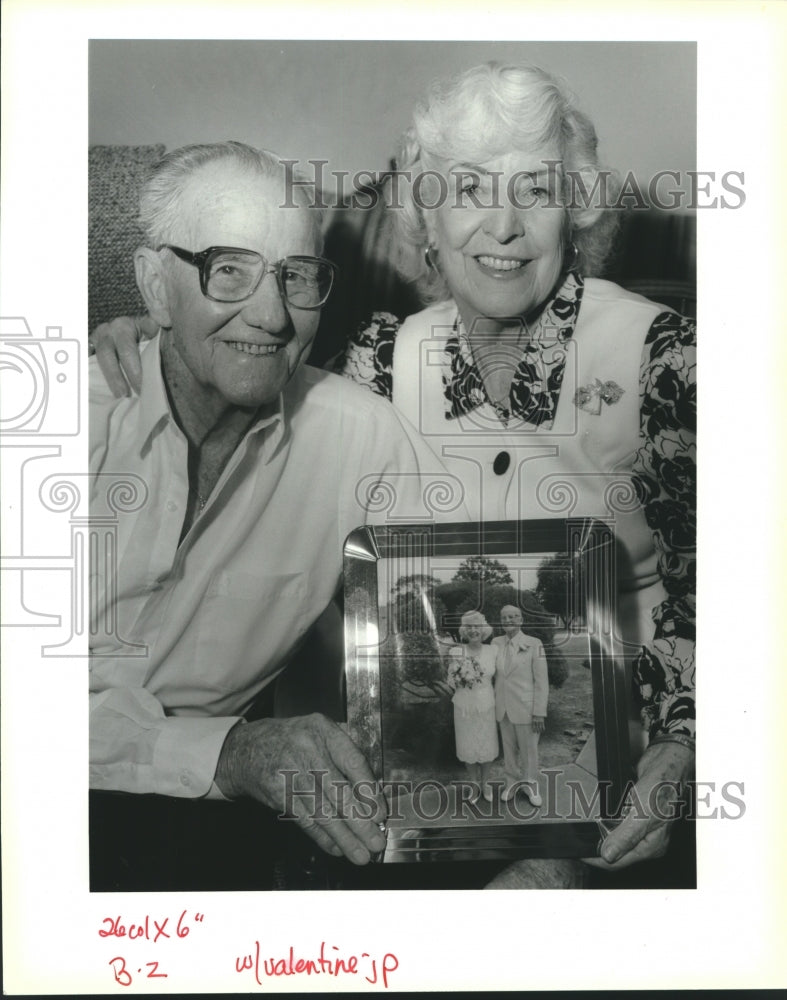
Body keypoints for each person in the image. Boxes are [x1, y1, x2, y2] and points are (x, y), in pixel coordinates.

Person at [90, 62, 696, 881]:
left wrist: (683, 747)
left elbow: (742, 597)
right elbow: (255, 361)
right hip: (442, 758)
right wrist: (159, 332)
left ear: (576, 207)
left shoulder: (668, 361)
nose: (504, 227)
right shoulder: (381, 361)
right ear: (427, 217)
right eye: (470, 190)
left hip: (626, 762)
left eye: (535, 191)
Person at [88, 140, 462, 887]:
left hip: (210, 826)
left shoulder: (363, 439)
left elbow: (445, 641)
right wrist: (226, 752)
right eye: (228, 269)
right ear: (156, 288)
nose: (270, 315)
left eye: (294, 277)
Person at [491, 605, 548, 806]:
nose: (509, 620)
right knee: (508, 750)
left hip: (526, 707)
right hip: (503, 707)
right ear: (500, 621)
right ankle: (511, 784)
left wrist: (539, 712)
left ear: (521, 620)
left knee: (529, 750)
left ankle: (531, 786)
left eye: (514, 617)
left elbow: (541, 681)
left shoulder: (534, 643)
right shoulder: (495, 643)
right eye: (505, 617)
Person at [445, 611, 499, 800]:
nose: (473, 631)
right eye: (469, 628)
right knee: (468, 745)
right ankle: (474, 786)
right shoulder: (456, 651)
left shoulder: (493, 651)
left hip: (486, 704)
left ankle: (485, 784)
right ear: (464, 631)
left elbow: (500, 678)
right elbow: (450, 680)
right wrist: (460, 676)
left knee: (487, 744)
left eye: (477, 627)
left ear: (483, 629)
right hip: (464, 706)